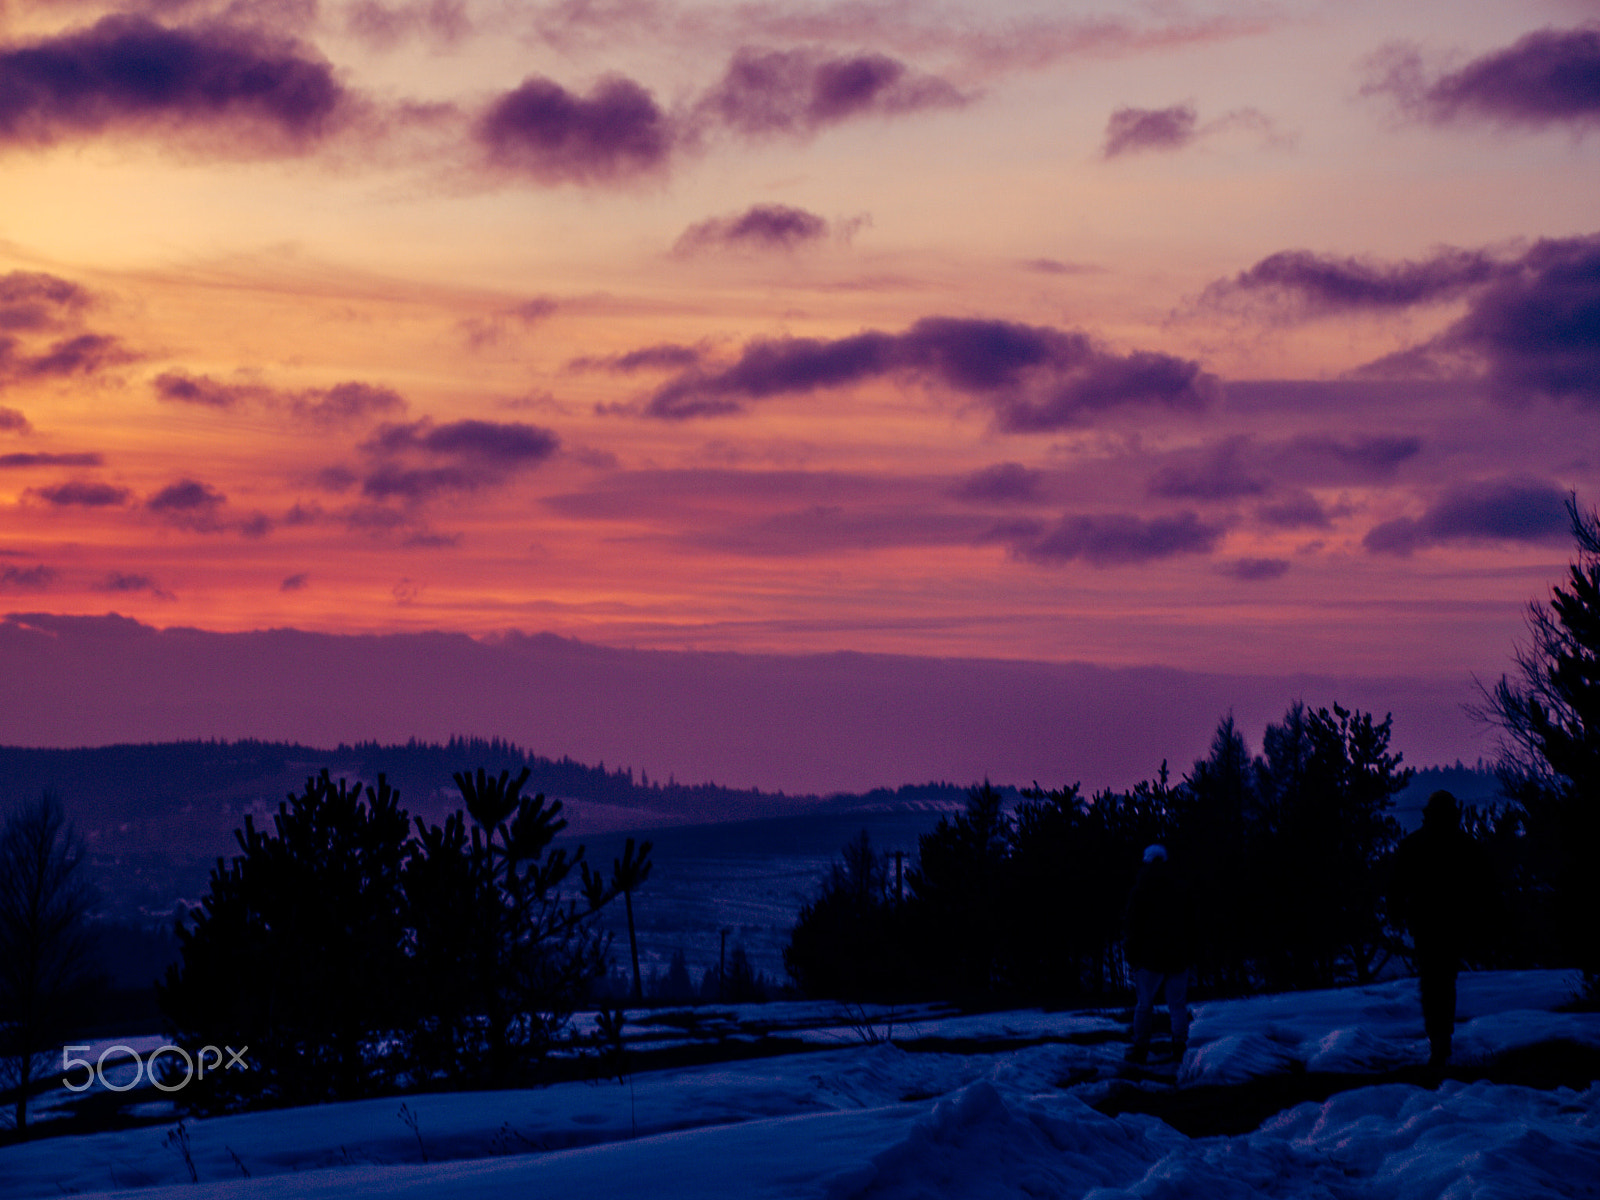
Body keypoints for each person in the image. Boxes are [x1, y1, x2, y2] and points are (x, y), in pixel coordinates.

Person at [1389, 790, 1492, 1070]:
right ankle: (1441, 1039)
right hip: (1451, 924)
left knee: (1434, 982)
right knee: (1444, 981)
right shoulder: (1465, 845)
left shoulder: (1413, 844)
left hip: (1427, 924)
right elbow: (1485, 885)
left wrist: (1397, 914)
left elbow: (1396, 885)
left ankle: (1439, 1039)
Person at [1123, 843, 1194, 1064]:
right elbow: (1191, 923)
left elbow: (1132, 925)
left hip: (1149, 957)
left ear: (1146, 860)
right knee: (1177, 1006)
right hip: (1177, 956)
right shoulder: (1180, 887)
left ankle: (1141, 1048)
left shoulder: (1140, 889)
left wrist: (1131, 954)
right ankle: (1179, 1046)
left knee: (1144, 1005)